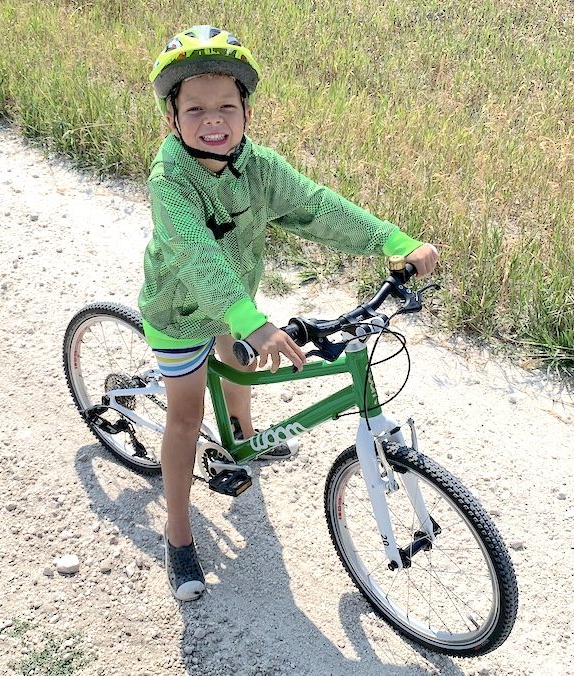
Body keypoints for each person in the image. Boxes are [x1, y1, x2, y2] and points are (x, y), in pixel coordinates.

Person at [139, 25, 439, 601]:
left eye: (227, 105)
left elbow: (314, 207)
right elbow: (197, 255)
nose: (213, 119)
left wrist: (390, 239)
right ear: (172, 119)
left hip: (237, 303)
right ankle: (179, 538)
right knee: (186, 412)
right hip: (180, 309)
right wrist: (252, 321)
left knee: (245, 368)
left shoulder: (258, 167)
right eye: (195, 108)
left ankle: (242, 441)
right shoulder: (169, 181)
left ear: (246, 111)